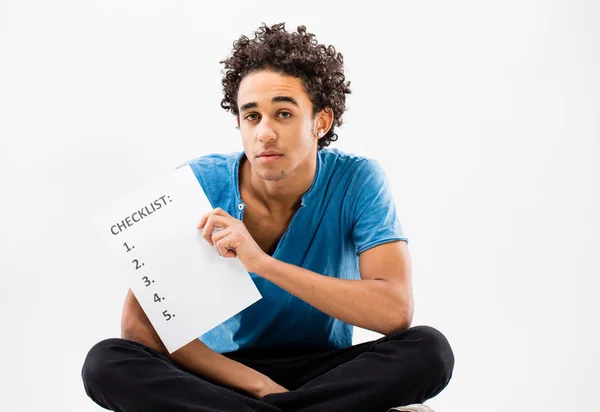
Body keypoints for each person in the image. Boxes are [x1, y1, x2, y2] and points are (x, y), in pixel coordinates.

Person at [81, 22, 454, 412]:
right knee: (107, 363)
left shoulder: (357, 180)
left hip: (326, 372)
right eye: (253, 116)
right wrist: (258, 385)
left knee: (429, 350)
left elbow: (394, 312)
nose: (265, 133)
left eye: (283, 114)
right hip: (221, 376)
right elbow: (141, 328)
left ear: (321, 122)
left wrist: (261, 263)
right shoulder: (198, 182)